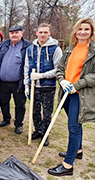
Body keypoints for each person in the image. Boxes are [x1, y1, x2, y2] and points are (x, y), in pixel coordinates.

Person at [48, 18, 95, 176]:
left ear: (91, 32)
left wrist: (78, 84)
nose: (82, 32)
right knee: (76, 124)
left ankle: (68, 165)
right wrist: (62, 81)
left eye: (86, 29)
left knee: (73, 128)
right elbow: (60, 68)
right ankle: (78, 150)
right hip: (66, 92)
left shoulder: (93, 50)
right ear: (76, 31)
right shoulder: (69, 49)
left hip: (79, 95)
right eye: (80, 29)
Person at [24, 23, 63, 146]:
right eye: (40, 32)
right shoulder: (30, 49)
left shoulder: (55, 49)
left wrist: (41, 75)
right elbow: (26, 67)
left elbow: (58, 69)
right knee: (35, 111)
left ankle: (45, 133)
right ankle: (38, 130)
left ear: (49, 33)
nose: (43, 34)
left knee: (47, 113)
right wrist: (26, 85)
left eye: (45, 32)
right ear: (36, 33)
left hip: (48, 87)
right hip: (33, 86)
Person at [0, 25, 32, 134]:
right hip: (3, 82)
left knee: (19, 104)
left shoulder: (27, 46)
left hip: (18, 83)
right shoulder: (3, 45)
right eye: (12, 33)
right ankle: (6, 119)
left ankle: (18, 124)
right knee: (4, 102)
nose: (14, 35)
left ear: (21, 34)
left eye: (16, 32)